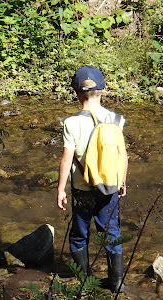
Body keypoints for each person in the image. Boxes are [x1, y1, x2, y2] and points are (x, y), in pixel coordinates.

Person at [56, 66, 127, 293]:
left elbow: (66, 161)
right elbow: (122, 155)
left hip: (82, 189)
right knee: (111, 233)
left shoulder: (71, 123)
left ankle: (85, 282)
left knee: (79, 235)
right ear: (103, 91)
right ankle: (117, 283)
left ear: (76, 93)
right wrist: (122, 181)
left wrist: (60, 190)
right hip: (110, 187)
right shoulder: (116, 119)